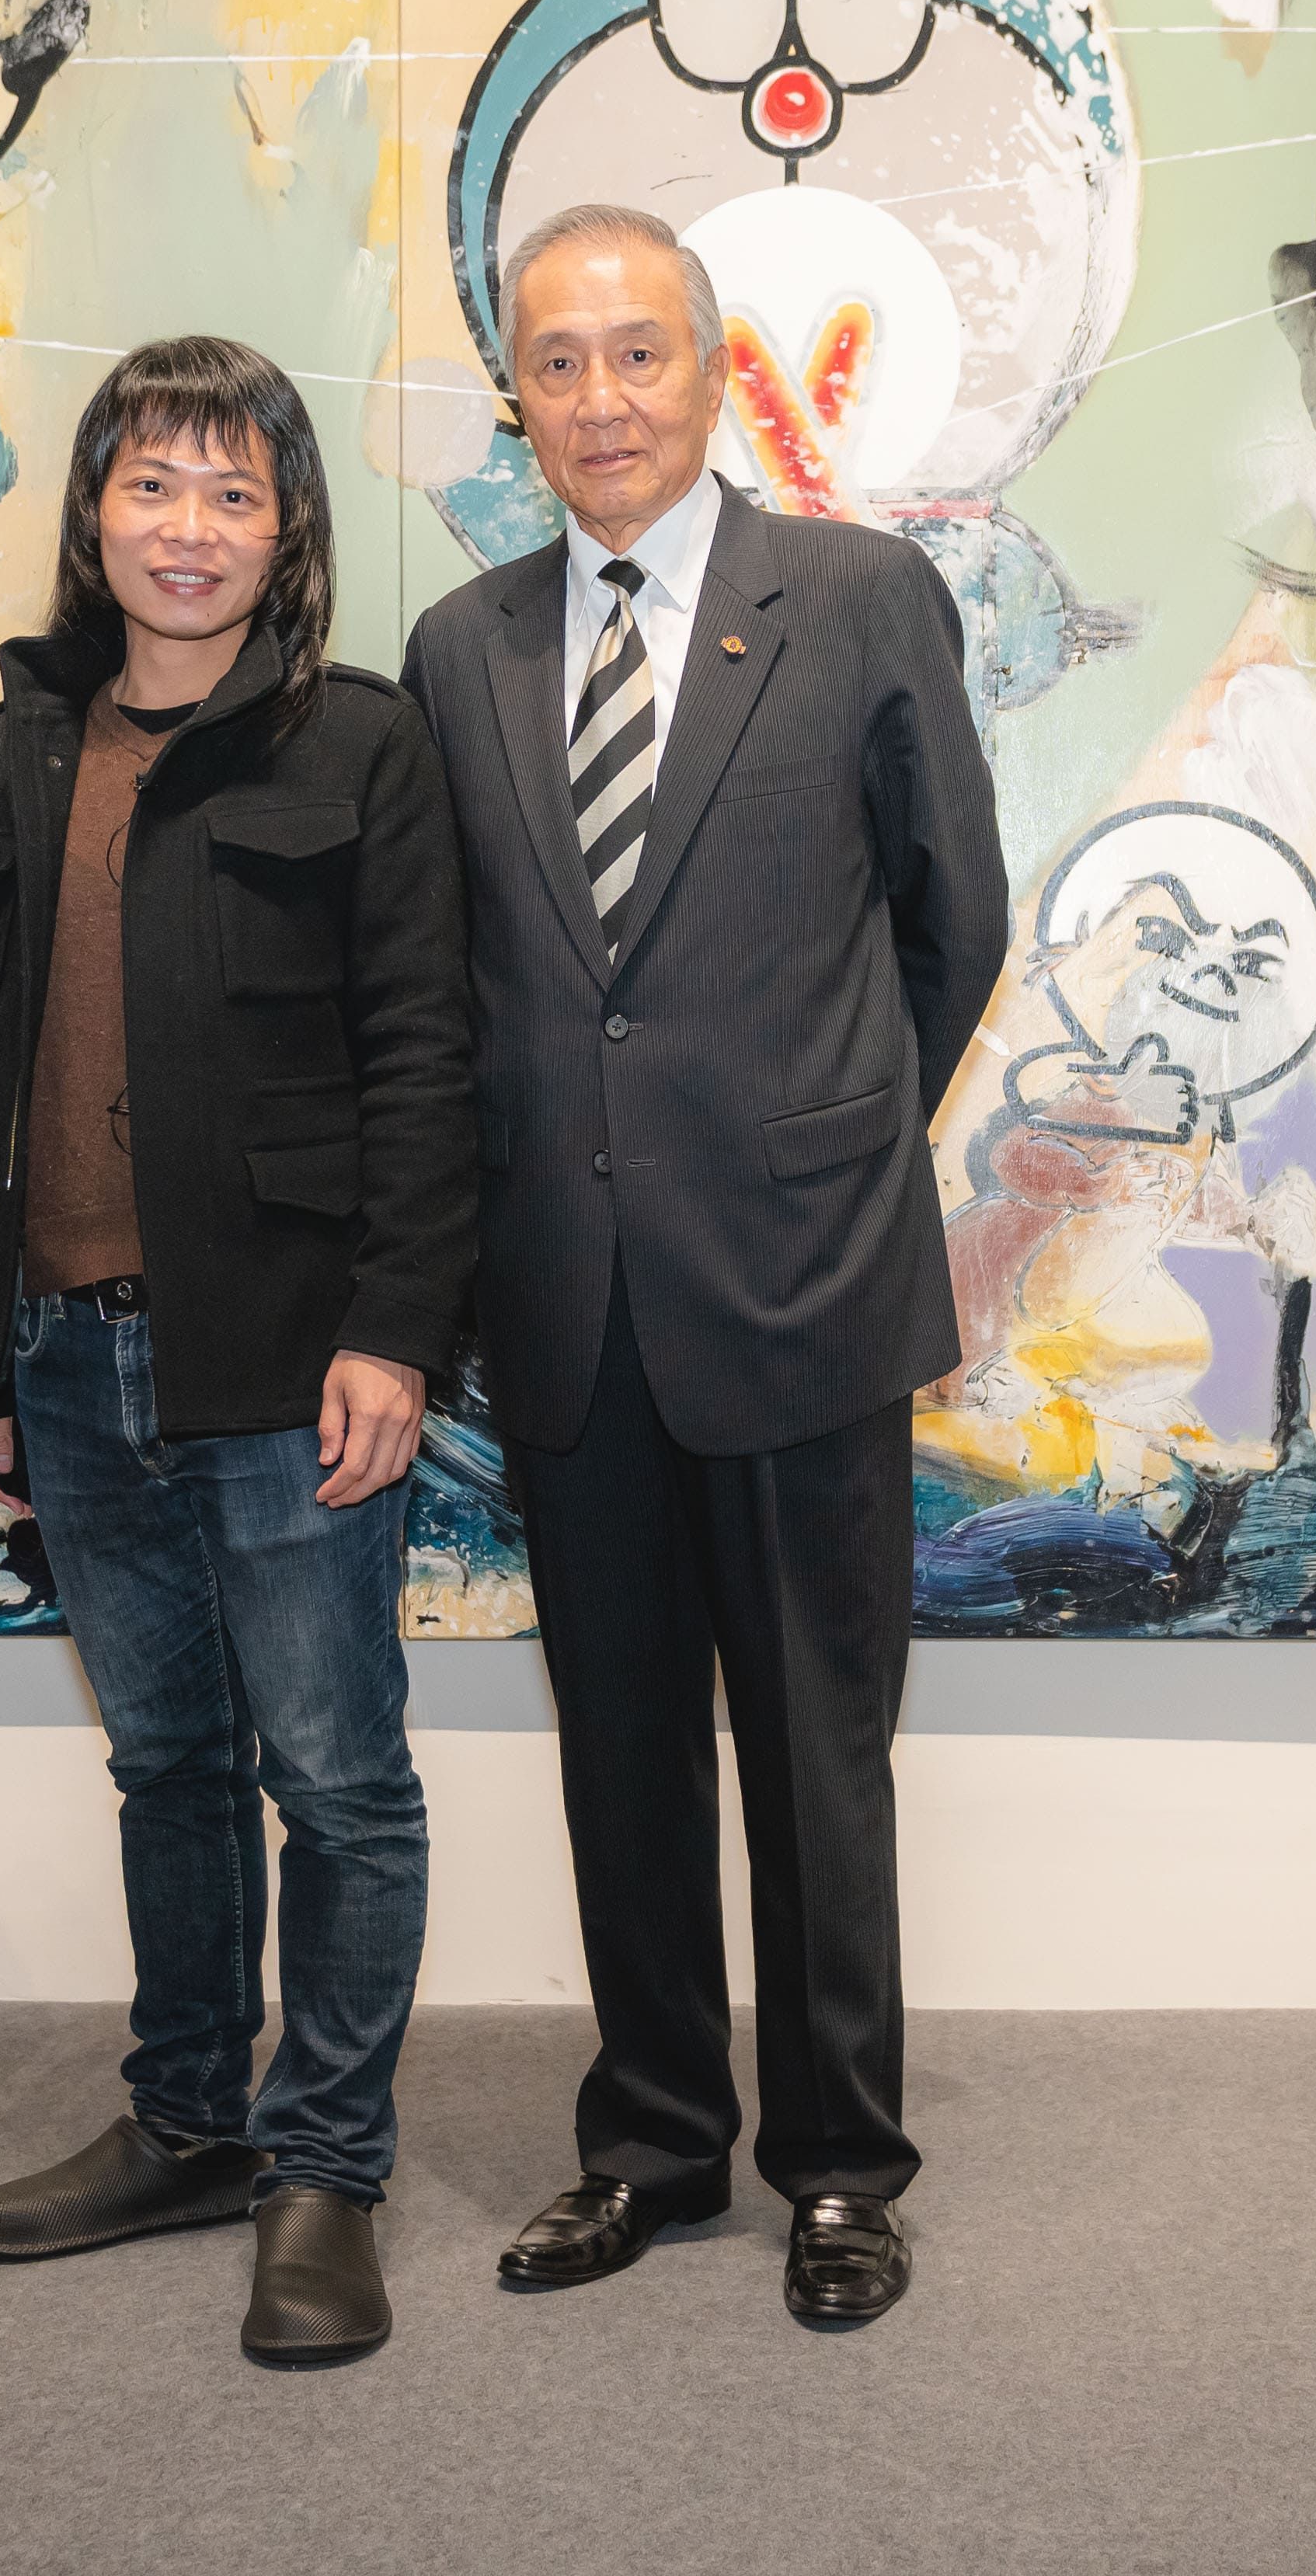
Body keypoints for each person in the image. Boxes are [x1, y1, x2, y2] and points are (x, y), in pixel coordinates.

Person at [397, 204, 1007, 2327]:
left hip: (803, 1278)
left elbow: (952, 924)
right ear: (518, 397)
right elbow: (469, 978)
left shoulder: (855, 598)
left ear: (714, 364)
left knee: (819, 1756)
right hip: (571, 1298)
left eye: (638, 352)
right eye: (557, 363)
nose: (601, 399)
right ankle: (653, 2140)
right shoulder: (461, 647)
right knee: (623, 1748)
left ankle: (841, 2167)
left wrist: (816, 1139)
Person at [0, 338, 477, 2365]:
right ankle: (184, 2122)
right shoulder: (18, 750)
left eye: (234, 492)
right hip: (64, 1354)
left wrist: (397, 1334)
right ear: (95, 513)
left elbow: (429, 1058)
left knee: (336, 1782)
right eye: (152, 484)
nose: (188, 528)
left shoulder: (361, 743)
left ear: (286, 528)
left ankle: (323, 2167)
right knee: (165, 1764)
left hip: (285, 1360)